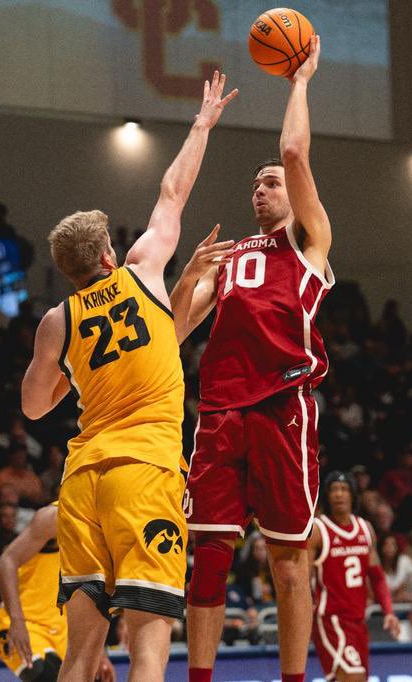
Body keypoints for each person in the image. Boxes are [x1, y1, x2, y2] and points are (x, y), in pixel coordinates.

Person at [20, 72, 236, 682]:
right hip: (144, 472)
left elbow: (34, 407)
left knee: (81, 654)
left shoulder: (56, 321)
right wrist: (202, 124)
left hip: (82, 480)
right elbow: (172, 192)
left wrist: (72, 376)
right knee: (148, 648)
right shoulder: (142, 270)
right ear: (109, 255)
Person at [171, 36, 332, 682]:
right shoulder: (231, 255)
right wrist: (188, 275)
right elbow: (173, 331)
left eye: (270, 184)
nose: (260, 191)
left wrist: (300, 82)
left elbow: (294, 153)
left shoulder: (309, 241)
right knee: (207, 561)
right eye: (255, 185)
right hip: (218, 413)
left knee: (288, 562)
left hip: (280, 406)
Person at [0, 503, 115, 681]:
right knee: (47, 676)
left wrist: (100, 652)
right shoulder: (53, 517)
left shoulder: (105, 524)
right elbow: (5, 564)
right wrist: (17, 622)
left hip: (66, 631)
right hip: (27, 624)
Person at [308, 472, 398, 681]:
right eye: (334, 489)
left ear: (353, 495)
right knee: (353, 677)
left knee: (354, 678)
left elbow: (377, 577)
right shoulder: (318, 530)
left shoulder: (365, 529)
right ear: (327, 495)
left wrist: (388, 611)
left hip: (358, 620)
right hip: (330, 619)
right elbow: (304, 578)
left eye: (344, 489)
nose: (339, 494)